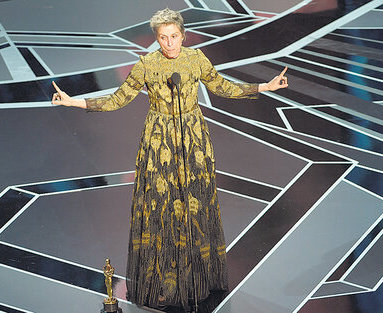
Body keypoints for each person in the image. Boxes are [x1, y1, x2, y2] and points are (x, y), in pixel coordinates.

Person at [52, 8, 288, 312]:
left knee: (195, 206)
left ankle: (198, 283)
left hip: (193, 141)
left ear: (183, 34)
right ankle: (164, 283)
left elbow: (222, 87)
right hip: (159, 141)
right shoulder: (147, 65)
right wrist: (74, 101)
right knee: (161, 210)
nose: (169, 43)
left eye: (174, 36)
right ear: (156, 38)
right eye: (163, 38)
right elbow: (117, 99)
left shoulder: (196, 59)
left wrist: (264, 87)